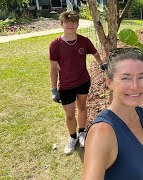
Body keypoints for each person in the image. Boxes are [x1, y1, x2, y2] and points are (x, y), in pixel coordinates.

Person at [82, 48, 143, 180]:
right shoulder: (102, 133)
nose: (135, 86)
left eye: (141, 77)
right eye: (125, 78)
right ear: (109, 83)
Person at [49, 11, 107, 155]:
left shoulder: (84, 41)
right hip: (66, 85)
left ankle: (81, 133)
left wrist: (101, 64)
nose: (70, 25)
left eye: (74, 22)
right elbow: (53, 68)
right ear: (61, 24)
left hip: (83, 81)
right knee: (69, 114)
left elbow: (94, 52)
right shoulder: (55, 44)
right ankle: (72, 137)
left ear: (77, 24)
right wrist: (53, 89)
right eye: (67, 22)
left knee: (82, 107)